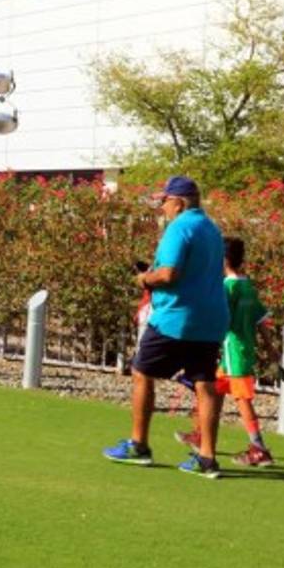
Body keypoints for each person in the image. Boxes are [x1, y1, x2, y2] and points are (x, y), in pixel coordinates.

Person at [104, 175, 229, 478]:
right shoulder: (212, 228)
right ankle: (207, 459)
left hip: (176, 317)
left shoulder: (180, 227)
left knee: (141, 372)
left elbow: (169, 274)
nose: (162, 208)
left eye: (165, 201)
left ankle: (139, 445)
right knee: (204, 383)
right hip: (210, 317)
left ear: (179, 202)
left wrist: (144, 278)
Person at [176, 237, 277, 466]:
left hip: (233, 352)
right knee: (213, 390)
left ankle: (259, 449)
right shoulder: (247, 285)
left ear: (223, 259)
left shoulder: (227, 287)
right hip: (242, 349)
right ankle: (201, 433)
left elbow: (220, 317)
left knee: (242, 400)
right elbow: (260, 319)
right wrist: (271, 349)